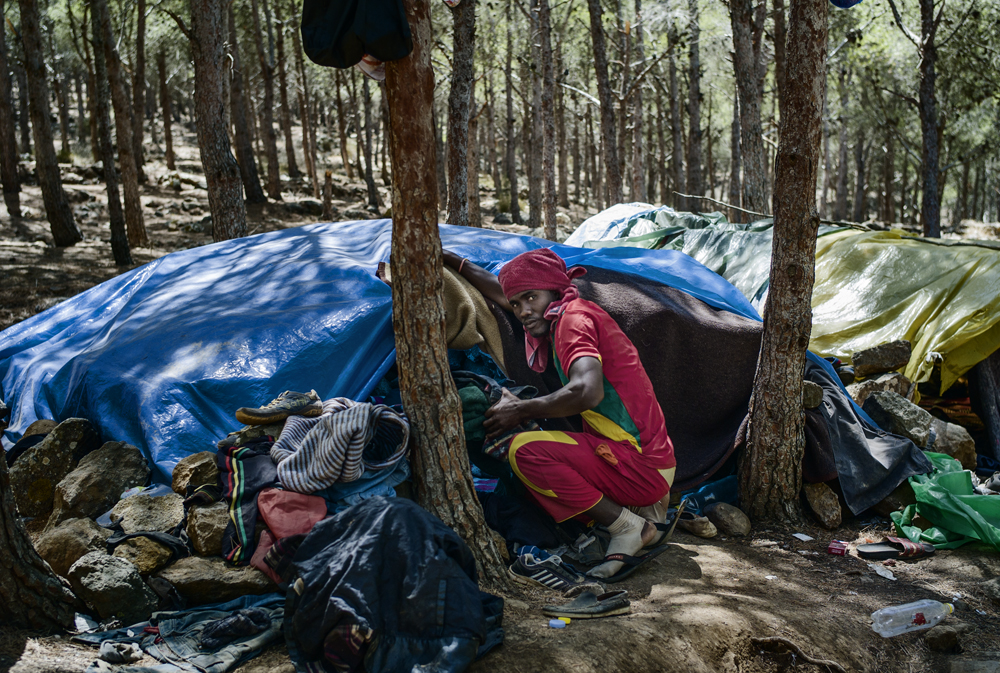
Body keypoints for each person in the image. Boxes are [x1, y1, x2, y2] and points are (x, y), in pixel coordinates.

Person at [442, 247, 676, 579]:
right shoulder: (565, 309)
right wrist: (453, 260)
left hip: (640, 467)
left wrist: (520, 409)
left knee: (525, 451)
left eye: (530, 298)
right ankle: (634, 514)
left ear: (554, 290)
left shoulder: (572, 322)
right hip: (646, 460)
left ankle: (627, 526)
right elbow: (506, 293)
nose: (523, 311)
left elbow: (587, 391)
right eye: (517, 304)